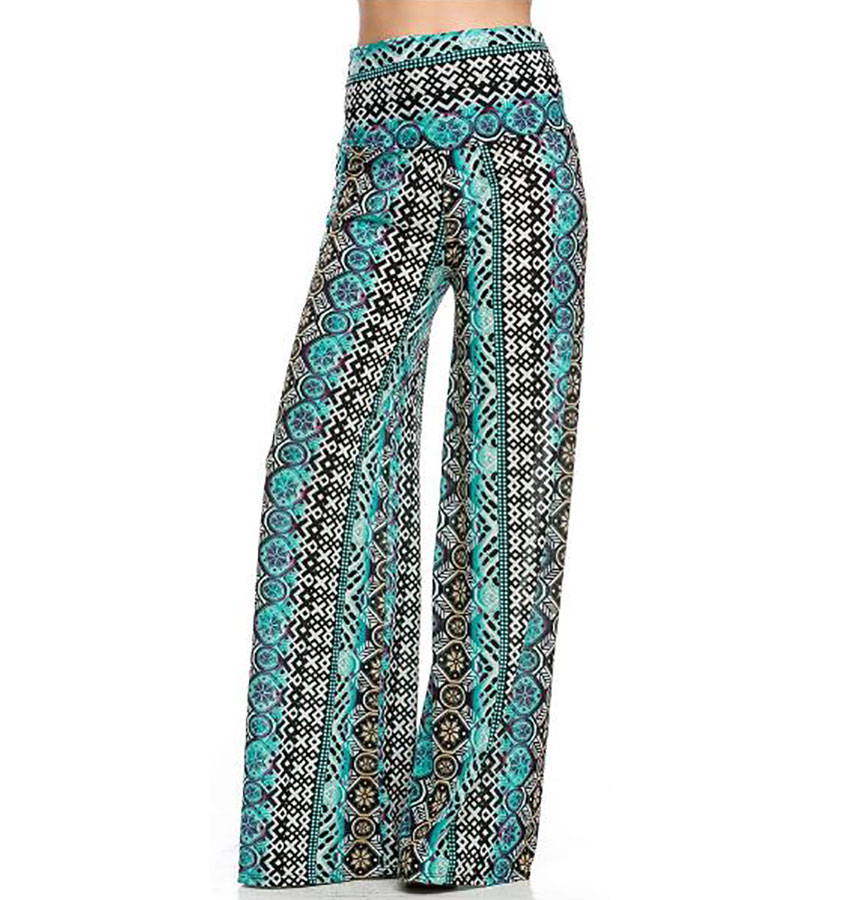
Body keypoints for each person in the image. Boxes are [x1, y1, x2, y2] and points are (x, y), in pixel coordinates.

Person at [238, 0, 587, 888]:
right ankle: (335, 827)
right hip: (380, 133)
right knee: (315, 466)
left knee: (513, 487)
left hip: (514, 115)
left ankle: (470, 832)